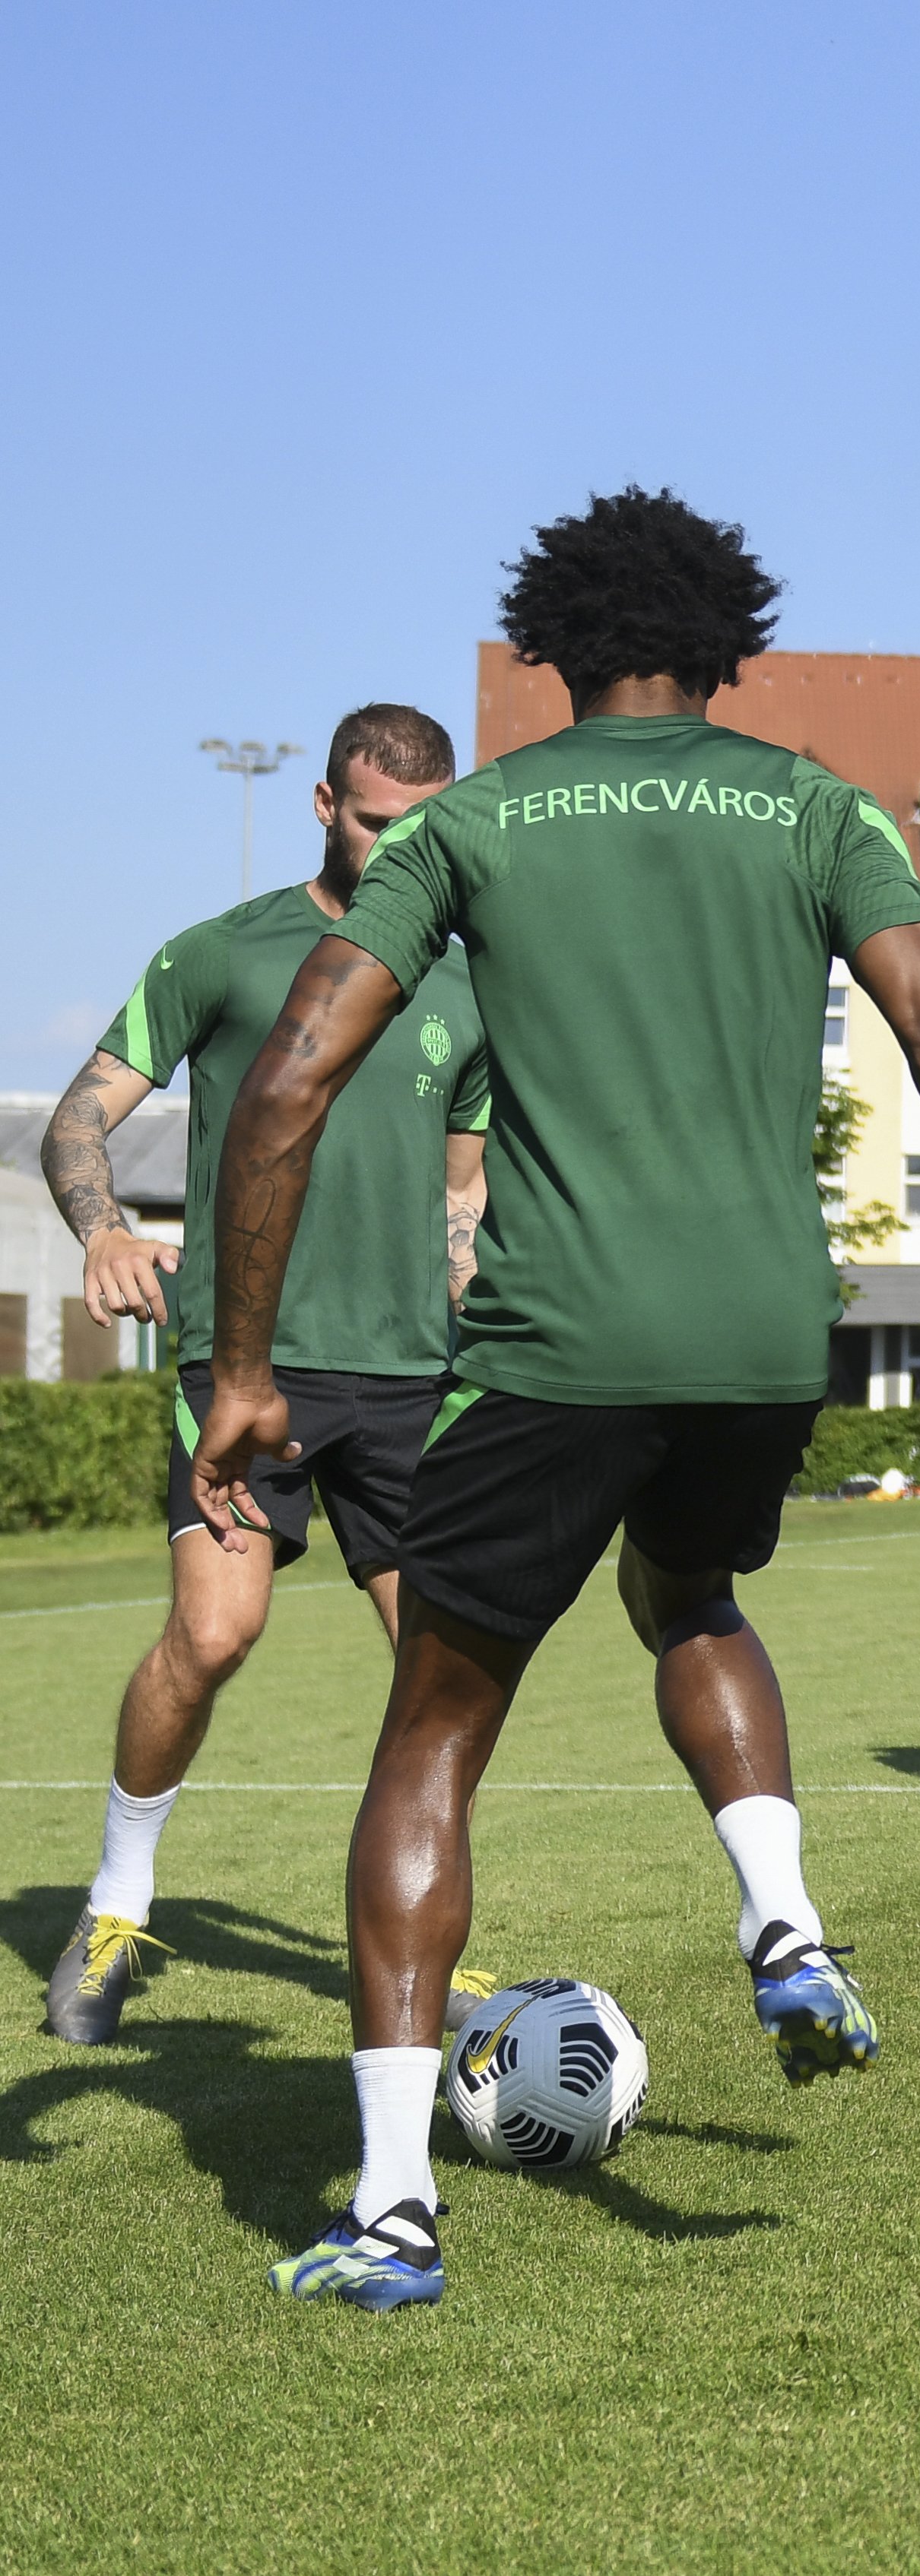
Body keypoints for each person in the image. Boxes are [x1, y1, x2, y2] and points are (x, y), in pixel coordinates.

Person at [195, 489, 920, 2311]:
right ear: (730, 644)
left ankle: (392, 2210)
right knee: (689, 1592)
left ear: (550, 646)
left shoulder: (468, 823)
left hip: (554, 1340)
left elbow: (292, 1082)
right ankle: (782, 1918)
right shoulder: (820, 808)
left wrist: (244, 1368)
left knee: (433, 1730)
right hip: (764, 1336)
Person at [36, 705, 493, 2044]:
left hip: (409, 1377)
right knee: (215, 1634)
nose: (396, 847)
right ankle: (117, 1900)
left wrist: (481, 1296)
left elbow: (462, 1192)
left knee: (445, 1673)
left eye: (421, 827)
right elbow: (77, 1117)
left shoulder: (465, 986)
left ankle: (418, 1941)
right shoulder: (221, 952)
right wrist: (104, 1229)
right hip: (244, 1361)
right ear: (322, 805)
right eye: (373, 821)